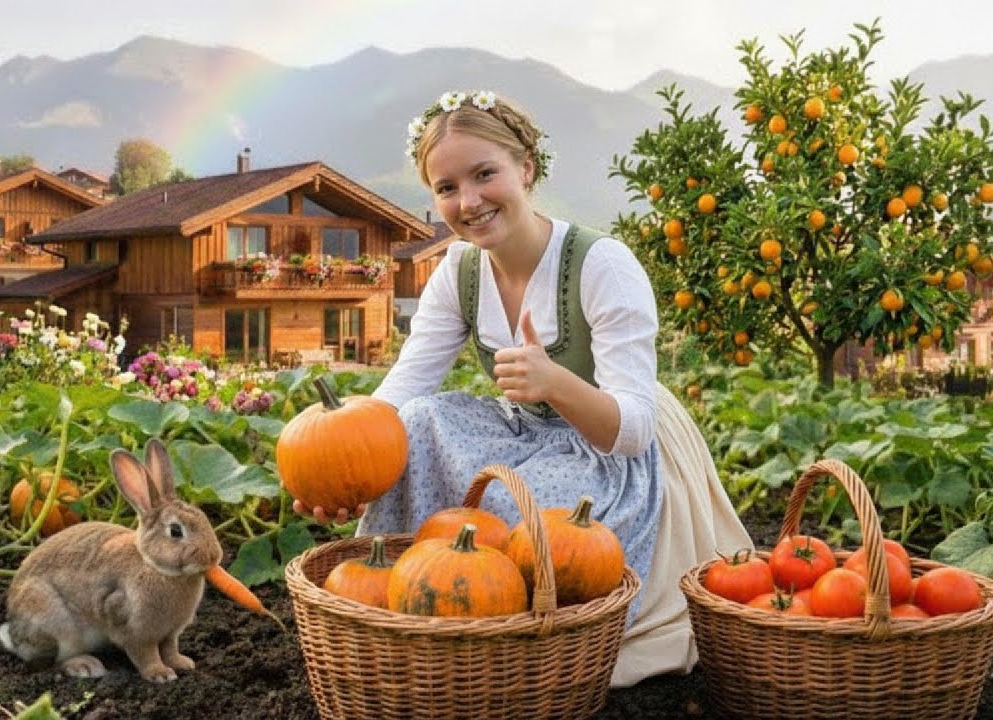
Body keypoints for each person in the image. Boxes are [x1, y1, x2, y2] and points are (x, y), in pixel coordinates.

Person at [293, 90, 752, 687]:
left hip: (608, 444)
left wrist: (555, 381)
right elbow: (400, 393)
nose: (469, 201)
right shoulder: (457, 272)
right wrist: (351, 468)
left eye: (485, 174)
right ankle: (416, 615)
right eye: (447, 186)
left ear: (527, 167)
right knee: (420, 423)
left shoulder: (600, 265)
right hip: (525, 432)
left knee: (510, 516)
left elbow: (633, 430)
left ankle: (519, 644)